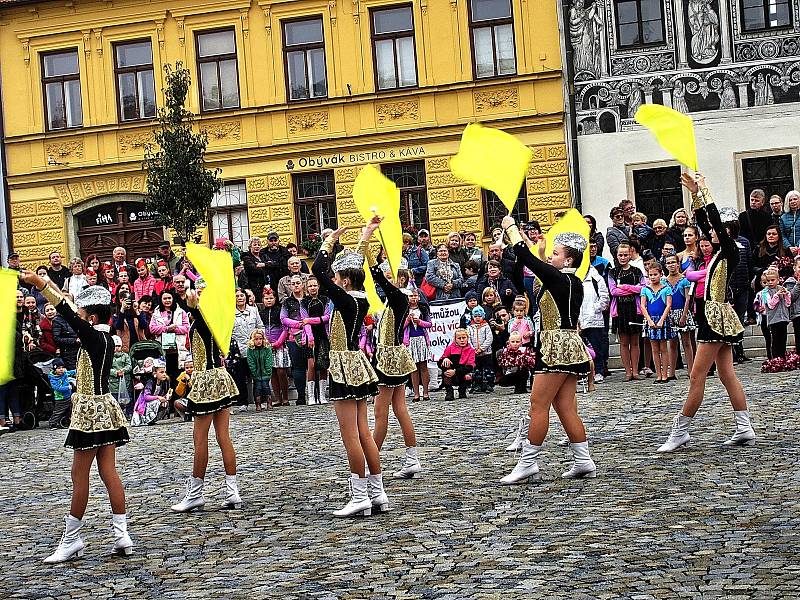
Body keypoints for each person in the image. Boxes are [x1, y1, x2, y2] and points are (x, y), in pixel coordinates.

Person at [20, 273, 132, 563]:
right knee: (109, 472)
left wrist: (41, 284)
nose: (79, 318)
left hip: (91, 413)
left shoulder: (94, 337)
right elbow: (70, 304)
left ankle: (72, 539)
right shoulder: (108, 337)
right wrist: (48, 286)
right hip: (105, 409)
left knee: (78, 475)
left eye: (83, 315)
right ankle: (122, 534)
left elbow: (67, 311)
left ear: (91, 318)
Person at [658, 174, 755, 452]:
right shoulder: (720, 253)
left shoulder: (730, 250)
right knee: (726, 374)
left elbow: (712, 223)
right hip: (717, 315)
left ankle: (681, 430)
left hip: (715, 317)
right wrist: (695, 195)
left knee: (697, 375)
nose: (709, 233)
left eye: (716, 230)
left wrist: (705, 191)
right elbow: (705, 223)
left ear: (726, 231)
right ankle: (744, 426)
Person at [499, 217, 595, 484]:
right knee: (565, 407)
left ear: (567, 261)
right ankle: (583, 460)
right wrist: (536, 254)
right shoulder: (566, 281)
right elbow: (520, 275)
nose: (551, 256)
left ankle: (528, 462)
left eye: (556, 253)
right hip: (567, 346)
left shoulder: (562, 280)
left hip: (556, 347)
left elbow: (526, 258)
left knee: (538, 405)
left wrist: (511, 229)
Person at [312, 226, 386, 517]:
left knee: (350, 435)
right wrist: (365, 235)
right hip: (357, 363)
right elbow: (360, 267)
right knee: (364, 432)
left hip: (343, 365)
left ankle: (359, 496)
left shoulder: (343, 299)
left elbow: (318, 267)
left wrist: (330, 241)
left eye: (336, 278)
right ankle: (378, 492)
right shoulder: (363, 297)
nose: (332, 281)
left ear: (343, 279)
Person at [171, 285, 241, 513]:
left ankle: (195, 494)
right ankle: (232, 491)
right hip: (220, 377)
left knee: (200, 440)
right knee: (223, 437)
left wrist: (191, 300)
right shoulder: (216, 317)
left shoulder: (204, 318)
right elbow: (187, 306)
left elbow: (194, 313)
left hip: (206, 380)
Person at [360, 218, 422, 479]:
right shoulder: (397, 299)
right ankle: (412, 458)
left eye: (390, 275)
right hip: (395, 356)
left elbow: (373, 273)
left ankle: (372, 461)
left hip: (389, 359)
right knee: (399, 408)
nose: (386, 278)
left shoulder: (398, 296)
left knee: (380, 411)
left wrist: (367, 238)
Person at [609, 243, 644, 381]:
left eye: (625, 255)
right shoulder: (613, 272)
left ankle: (635, 370)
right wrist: (632, 288)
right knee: (624, 342)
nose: (623, 257)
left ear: (630, 255)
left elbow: (642, 288)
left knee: (635, 341)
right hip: (621, 310)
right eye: (620, 255)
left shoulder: (637, 272)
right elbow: (613, 291)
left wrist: (625, 287)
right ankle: (627, 371)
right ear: (617, 256)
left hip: (634, 309)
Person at [640, 262, 675, 383]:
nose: (653, 277)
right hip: (651, 320)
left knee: (663, 348)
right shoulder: (645, 289)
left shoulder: (666, 289)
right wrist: (649, 320)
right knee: (654, 348)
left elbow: (668, 305)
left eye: (655, 274)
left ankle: (665, 374)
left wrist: (662, 320)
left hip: (662, 320)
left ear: (661, 274)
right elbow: (643, 306)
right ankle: (658, 374)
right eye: (650, 275)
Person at [231, 288, 264, 411]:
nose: (240, 298)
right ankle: (243, 402)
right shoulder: (230, 313)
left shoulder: (254, 310)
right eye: (237, 296)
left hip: (255, 348)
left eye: (242, 295)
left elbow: (260, 326)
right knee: (240, 377)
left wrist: (259, 338)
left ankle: (259, 400)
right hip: (238, 349)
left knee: (257, 375)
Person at [149, 290, 189, 387]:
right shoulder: (156, 314)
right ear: (161, 300)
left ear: (173, 299)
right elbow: (152, 329)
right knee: (165, 377)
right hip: (163, 351)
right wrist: (166, 329)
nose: (167, 300)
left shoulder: (181, 312)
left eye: (169, 298)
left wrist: (175, 329)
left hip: (178, 350)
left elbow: (187, 327)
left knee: (178, 377)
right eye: (165, 298)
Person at [664, 254, 696, 377]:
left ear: (678, 264)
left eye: (673, 262)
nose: (671, 265)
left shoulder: (684, 280)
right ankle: (671, 372)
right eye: (668, 263)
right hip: (670, 313)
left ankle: (691, 370)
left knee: (686, 342)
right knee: (672, 343)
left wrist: (684, 315)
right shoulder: (663, 281)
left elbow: (688, 299)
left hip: (682, 311)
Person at [281, 275, 310, 405]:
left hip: (311, 336)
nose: (296, 285)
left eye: (298, 283)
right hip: (294, 337)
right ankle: (301, 395)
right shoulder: (287, 302)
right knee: (298, 367)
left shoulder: (309, 300)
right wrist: (298, 324)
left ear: (302, 284)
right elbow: (284, 318)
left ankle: (315, 394)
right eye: (293, 284)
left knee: (314, 365)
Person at [302, 276, 331, 404]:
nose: (313, 288)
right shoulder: (304, 302)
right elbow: (304, 320)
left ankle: (322, 395)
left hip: (323, 334)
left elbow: (327, 317)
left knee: (323, 364)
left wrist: (314, 320)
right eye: (310, 286)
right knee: (311, 365)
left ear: (318, 286)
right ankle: (311, 396)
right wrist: (310, 336)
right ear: (306, 288)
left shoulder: (325, 299)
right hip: (310, 335)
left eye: (315, 285)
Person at [259, 286, 290, 407]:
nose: (269, 300)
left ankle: (286, 397)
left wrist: (278, 342)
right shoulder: (261, 313)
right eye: (266, 298)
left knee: (281, 370)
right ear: (263, 300)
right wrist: (264, 342)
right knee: (271, 371)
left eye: (271, 298)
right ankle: (277, 398)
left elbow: (285, 328)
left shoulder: (280, 311)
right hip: (266, 345)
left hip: (280, 344)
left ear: (275, 298)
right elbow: (260, 328)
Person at [579, 265, 610, 383]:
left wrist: (595, 309)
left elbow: (604, 297)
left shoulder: (596, 278)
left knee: (596, 347)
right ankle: (584, 373)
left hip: (594, 320)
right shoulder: (574, 277)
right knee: (582, 349)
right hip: (579, 320)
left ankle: (599, 371)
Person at [402, 288, 433, 403]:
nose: (413, 298)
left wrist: (419, 321)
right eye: (411, 296)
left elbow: (429, 324)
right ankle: (416, 393)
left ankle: (425, 391)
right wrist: (408, 320)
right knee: (413, 368)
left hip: (421, 339)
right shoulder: (405, 310)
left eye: (415, 296)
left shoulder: (423, 309)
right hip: (410, 340)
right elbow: (401, 327)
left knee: (423, 366)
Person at [438, 329, 476, 400]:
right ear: (455, 339)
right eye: (459, 338)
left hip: (462, 373)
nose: (462, 340)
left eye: (464, 338)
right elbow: (439, 362)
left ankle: (462, 390)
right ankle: (449, 391)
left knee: (469, 374)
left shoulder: (471, 350)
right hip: (450, 372)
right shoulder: (450, 348)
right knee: (445, 368)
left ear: (467, 338)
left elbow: (470, 366)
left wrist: (455, 371)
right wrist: (445, 359)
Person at [762, 268, 791, 359]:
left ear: (778, 280)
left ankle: (782, 357)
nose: (770, 282)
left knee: (783, 339)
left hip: (783, 318)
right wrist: (777, 295)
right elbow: (770, 305)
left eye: (772, 280)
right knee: (775, 339)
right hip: (774, 319)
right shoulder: (765, 292)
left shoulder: (782, 288)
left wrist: (786, 294)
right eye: (768, 281)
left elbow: (788, 303)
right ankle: (775, 358)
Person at [131, 361, 170, 427]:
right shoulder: (150, 382)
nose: (164, 374)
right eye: (161, 372)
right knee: (158, 401)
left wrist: (166, 397)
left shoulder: (163, 383)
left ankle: (153, 419)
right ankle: (146, 419)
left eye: (165, 372)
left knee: (165, 403)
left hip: (151, 404)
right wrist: (158, 398)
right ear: (155, 373)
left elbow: (162, 395)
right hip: (144, 405)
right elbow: (146, 397)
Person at [467, 306, 494, 393]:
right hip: (475, 353)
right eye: (475, 316)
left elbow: (489, 339)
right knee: (476, 370)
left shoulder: (486, 326)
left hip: (486, 353)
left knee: (487, 370)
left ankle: (489, 384)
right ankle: (477, 384)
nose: (477, 318)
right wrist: (473, 349)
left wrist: (482, 348)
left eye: (479, 316)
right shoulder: (470, 327)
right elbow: (468, 339)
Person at [247, 329, 273, 411]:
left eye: (260, 339)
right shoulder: (250, 350)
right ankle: (258, 404)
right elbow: (250, 362)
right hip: (256, 374)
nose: (259, 341)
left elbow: (269, 360)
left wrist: (268, 371)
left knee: (266, 387)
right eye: (256, 339)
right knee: (257, 388)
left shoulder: (267, 348)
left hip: (265, 373)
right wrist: (254, 372)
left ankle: (269, 402)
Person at [48, 358, 76, 429]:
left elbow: (70, 372)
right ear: (54, 369)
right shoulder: (53, 378)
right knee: (58, 411)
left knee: (70, 408)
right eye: (59, 368)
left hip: (68, 396)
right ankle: (52, 423)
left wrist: (77, 371)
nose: (61, 369)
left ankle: (66, 420)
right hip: (61, 398)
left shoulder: (64, 373)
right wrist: (68, 387)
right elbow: (58, 388)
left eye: (63, 367)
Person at [242, 237, 269, 303]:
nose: (257, 246)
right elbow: (254, 270)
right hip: (254, 287)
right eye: (254, 245)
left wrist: (263, 265)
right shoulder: (247, 257)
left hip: (266, 286)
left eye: (258, 245)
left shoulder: (264, 256)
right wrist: (267, 266)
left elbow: (274, 265)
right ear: (250, 246)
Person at [109, 335, 132, 408]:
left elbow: (129, 365)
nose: (117, 348)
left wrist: (123, 371)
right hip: (113, 383)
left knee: (125, 401)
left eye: (119, 346)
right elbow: (107, 368)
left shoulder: (125, 356)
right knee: (114, 401)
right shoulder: (108, 356)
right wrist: (115, 373)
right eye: (115, 346)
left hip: (125, 381)